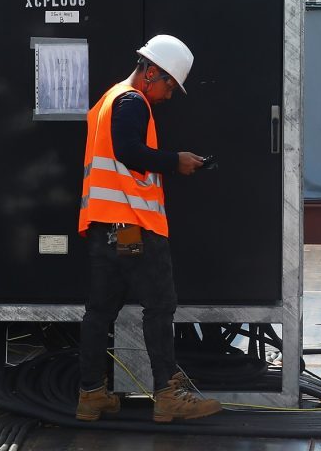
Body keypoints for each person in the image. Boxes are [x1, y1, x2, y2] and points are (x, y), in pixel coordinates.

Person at [74, 34, 223, 424]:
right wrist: (177, 161)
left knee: (99, 311)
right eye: (169, 84)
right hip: (131, 227)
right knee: (159, 305)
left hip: (106, 227)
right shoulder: (131, 101)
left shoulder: (108, 99)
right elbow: (128, 150)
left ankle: (91, 395)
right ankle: (168, 394)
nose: (169, 94)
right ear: (151, 72)